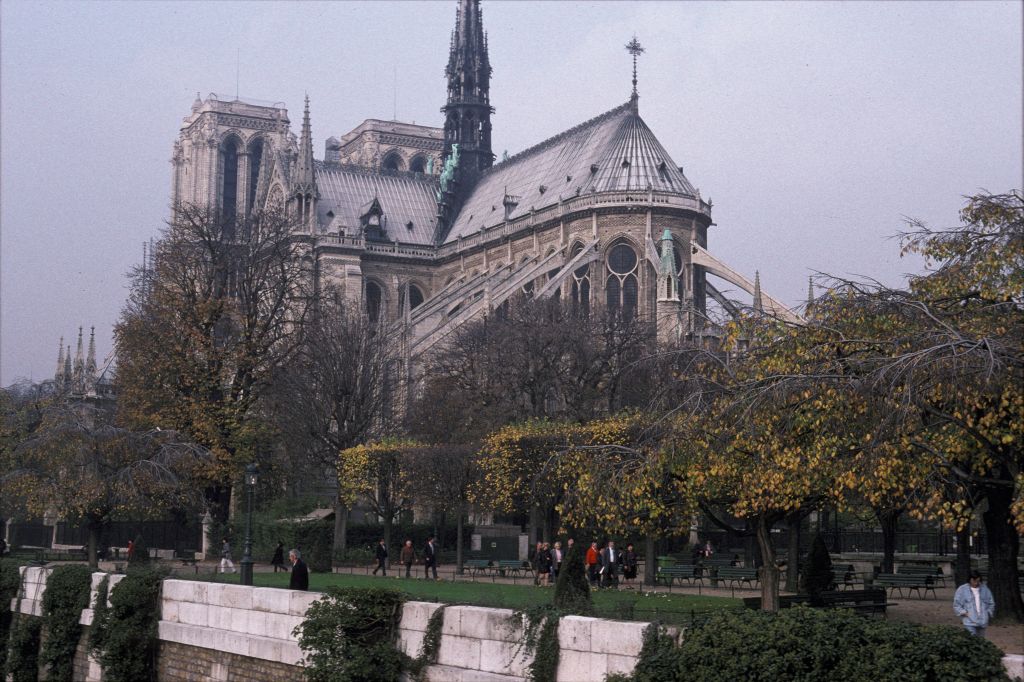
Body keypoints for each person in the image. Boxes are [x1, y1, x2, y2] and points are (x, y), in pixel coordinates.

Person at [953, 570, 995, 637]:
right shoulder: (962, 589)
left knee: (981, 642)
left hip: (983, 620)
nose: (976, 583)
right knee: (972, 641)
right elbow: (957, 605)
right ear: (970, 580)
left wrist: (988, 613)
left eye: (978, 581)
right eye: (974, 581)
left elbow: (991, 602)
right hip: (969, 621)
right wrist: (964, 613)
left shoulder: (985, 589)